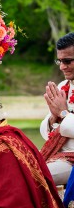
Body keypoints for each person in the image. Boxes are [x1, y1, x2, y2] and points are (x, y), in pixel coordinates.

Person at [40, 32, 74, 186]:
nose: (62, 67)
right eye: (59, 61)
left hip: (71, 160)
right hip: (59, 155)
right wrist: (53, 118)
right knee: (22, 168)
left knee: (37, 176)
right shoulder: (63, 87)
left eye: (67, 61)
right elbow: (48, 133)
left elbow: (66, 122)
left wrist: (63, 113)